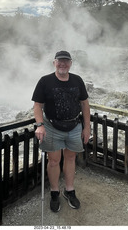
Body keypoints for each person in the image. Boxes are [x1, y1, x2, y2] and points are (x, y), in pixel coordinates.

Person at [32, 50, 91, 212]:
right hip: (52, 126)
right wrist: (39, 125)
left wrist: (87, 127)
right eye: (60, 61)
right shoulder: (45, 81)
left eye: (66, 61)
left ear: (71, 63)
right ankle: (54, 192)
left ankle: (69, 190)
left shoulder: (77, 80)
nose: (63, 64)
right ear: (54, 63)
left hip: (74, 125)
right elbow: (38, 105)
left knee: (71, 158)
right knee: (53, 160)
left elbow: (85, 104)